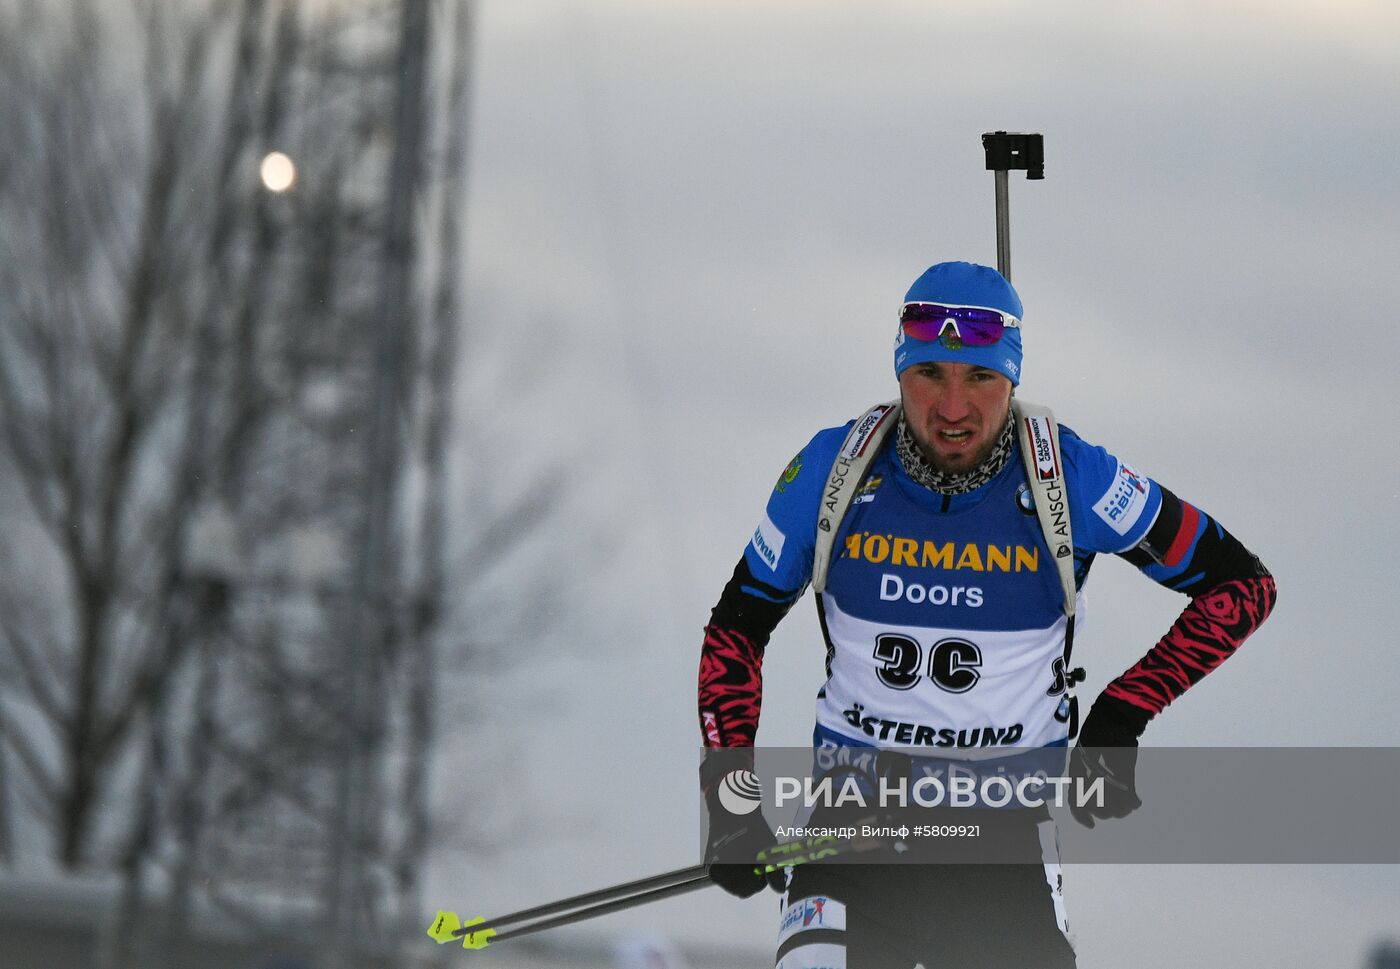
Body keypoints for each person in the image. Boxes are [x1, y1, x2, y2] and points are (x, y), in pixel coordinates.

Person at [696, 261, 1277, 968]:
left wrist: (1122, 714)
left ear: (1012, 379)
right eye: (930, 373)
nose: (951, 407)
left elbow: (1240, 585)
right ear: (899, 369)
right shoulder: (834, 469)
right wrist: (730, 799)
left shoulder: (1070, 478)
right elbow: (737, 625)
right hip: (849, 836)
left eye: (980, 378)